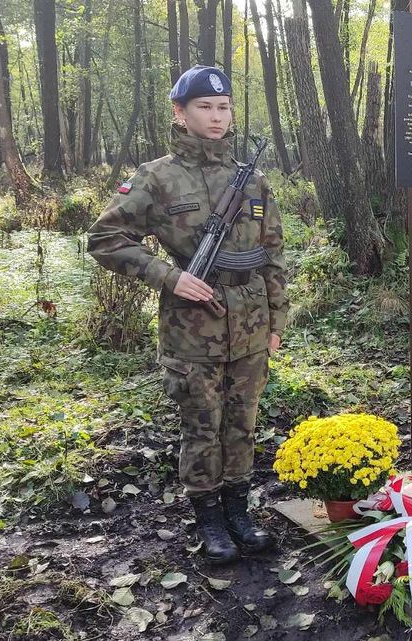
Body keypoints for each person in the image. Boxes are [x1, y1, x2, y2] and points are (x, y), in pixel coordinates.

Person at [88, 65, 286, 563]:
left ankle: (240, 512)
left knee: (242, 422)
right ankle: (210, 520)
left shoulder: (254, 180)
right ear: (180, 112)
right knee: (202, 423)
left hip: (250, 321)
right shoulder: (157, 177)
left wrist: (276, 321)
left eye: (223, 108)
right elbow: (105, 238)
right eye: (205, 107)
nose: (217, 117)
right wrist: (168, 275)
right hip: (191, 326)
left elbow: (273, 253)